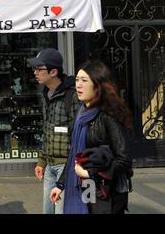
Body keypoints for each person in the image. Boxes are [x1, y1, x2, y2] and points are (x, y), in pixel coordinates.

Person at [50, 60, 133, 214]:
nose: (78, 85)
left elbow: (124, 160)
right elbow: (74, 155)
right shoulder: (81, 113)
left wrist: (90, 173)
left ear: (98, 86)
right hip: (87, 187)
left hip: (105, 191)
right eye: (77, 80)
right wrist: (60, 185)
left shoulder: (108, 116)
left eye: (84, 80)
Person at [27, 48, 80, 214]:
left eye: (39, 69)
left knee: (61, 211)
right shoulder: (46, 94)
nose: (35, 72)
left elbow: (78, 136)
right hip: (50, 166)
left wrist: (69, 170)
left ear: (53, 71)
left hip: (66, 167)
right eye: (34, 69)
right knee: (47, 211)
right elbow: (48, 130)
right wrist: (42, 160)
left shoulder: (72, 97)